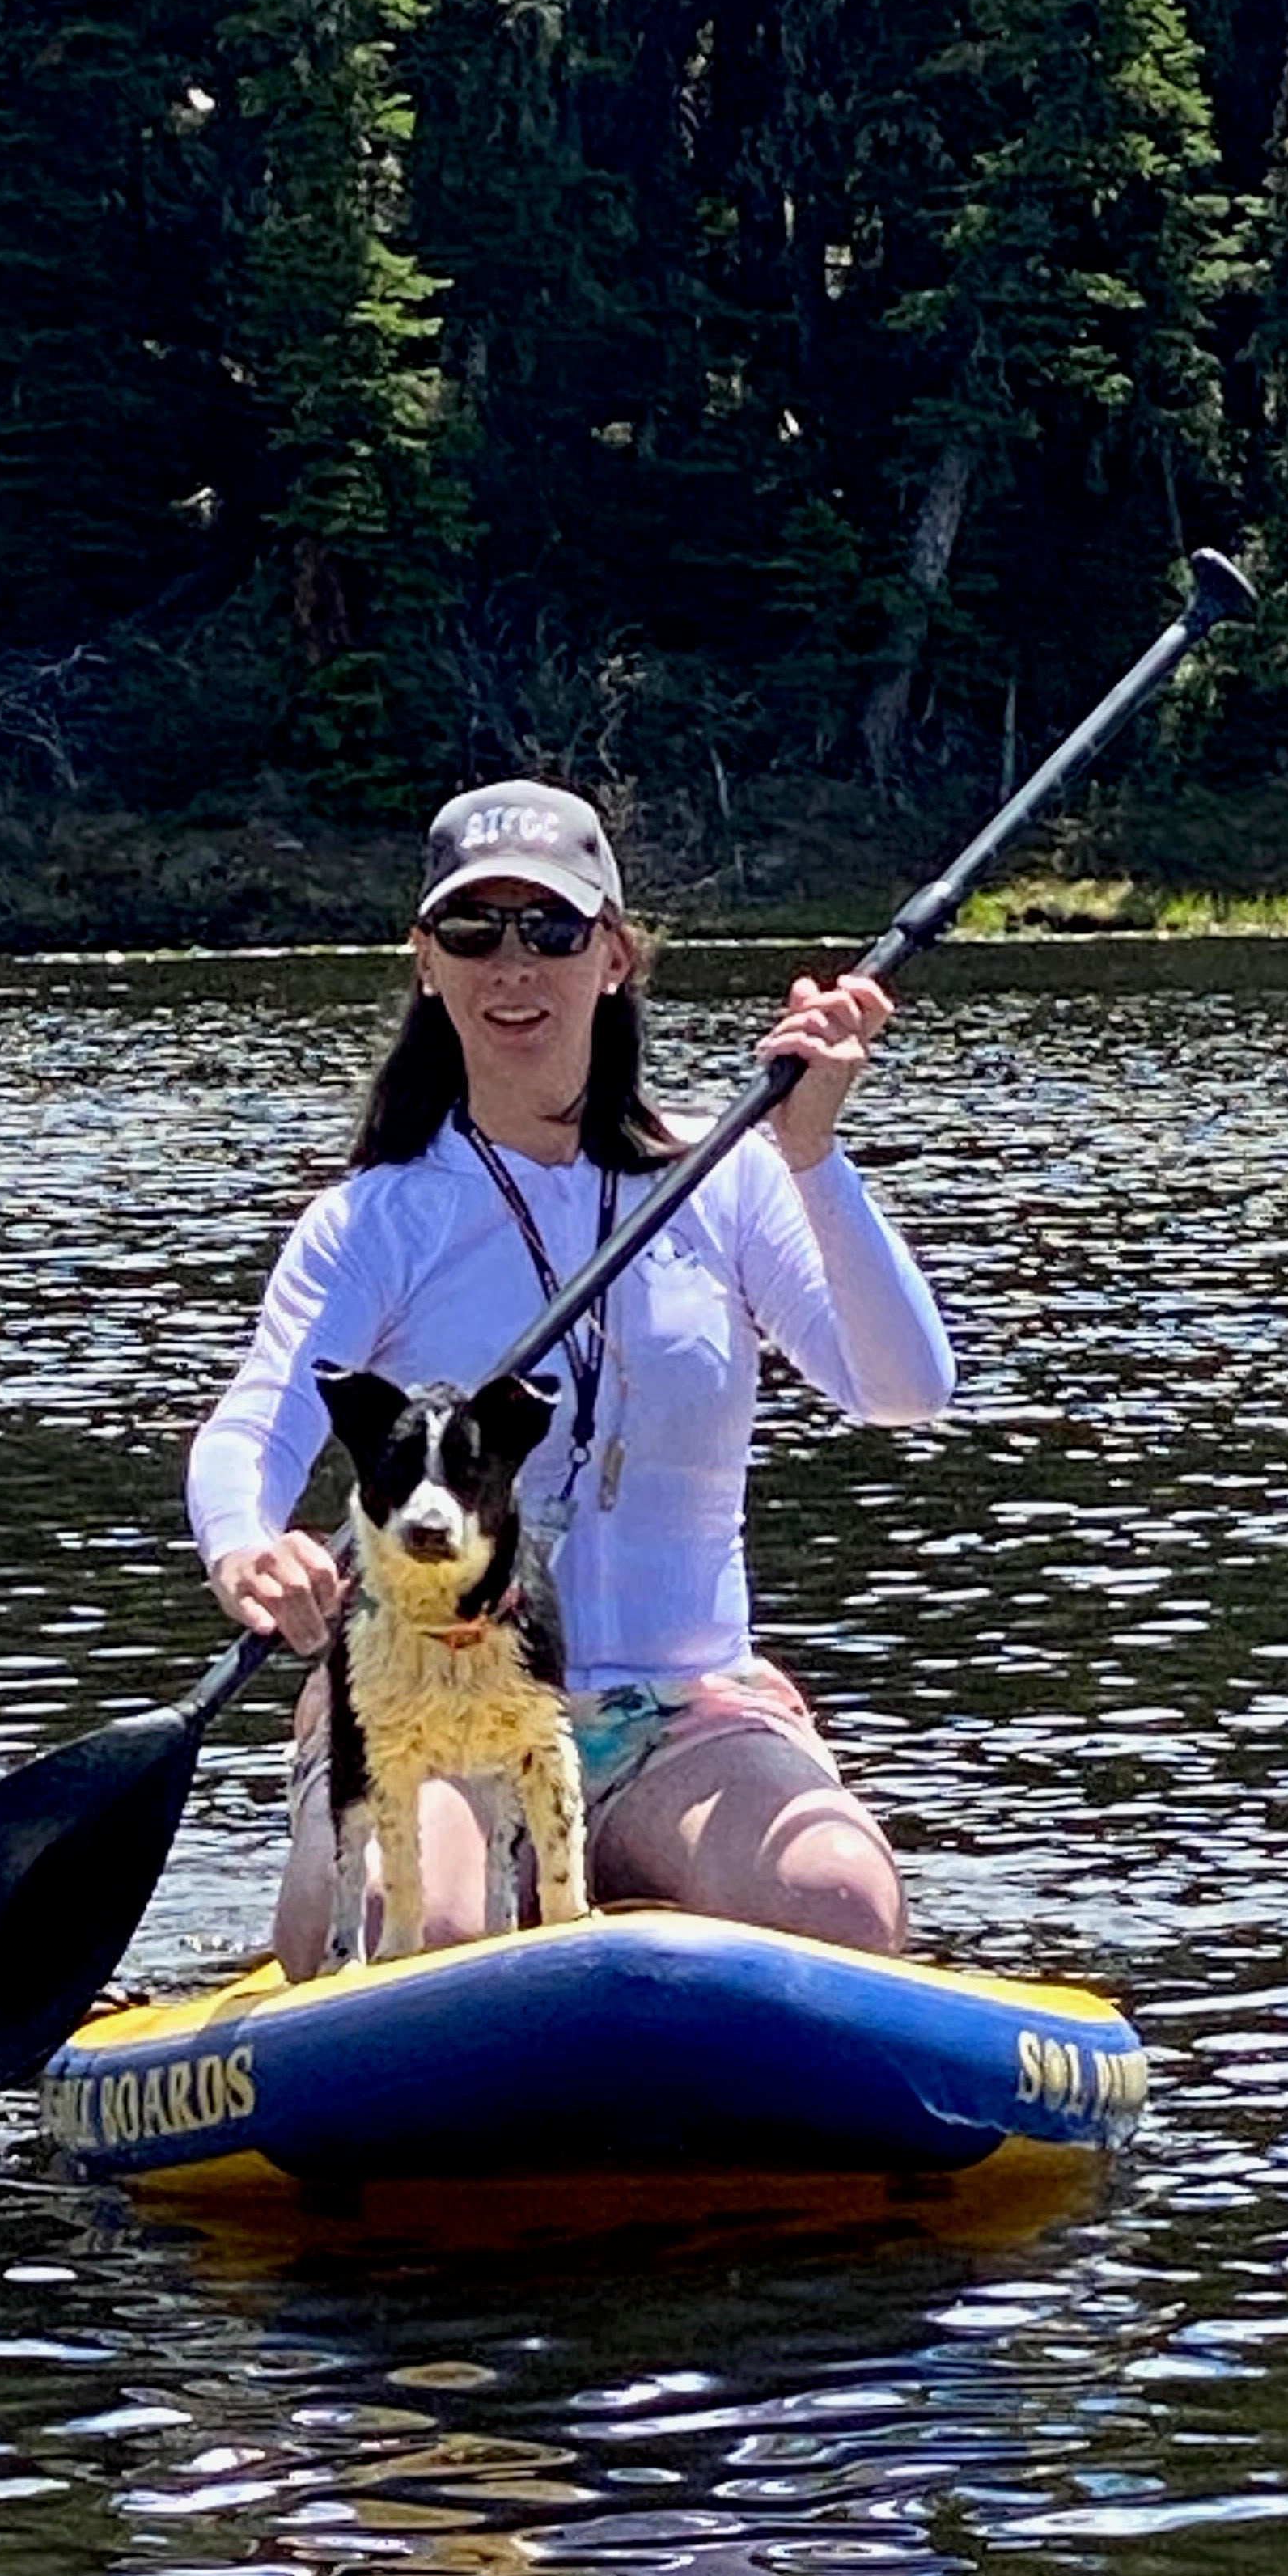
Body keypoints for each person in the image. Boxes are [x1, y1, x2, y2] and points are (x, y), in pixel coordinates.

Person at [187, 776, 956, 1978]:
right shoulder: (374, 1224)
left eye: (550, 930)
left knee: (844, 1903)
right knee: (429, 1935)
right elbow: (251, 1433)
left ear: (612, 958)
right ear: (426, 964)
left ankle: (630, 1912)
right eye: (473, 932)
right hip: (433, 1694)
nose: (514, 967)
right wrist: (248, 1546)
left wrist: (813, 1156)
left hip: (680, 1710)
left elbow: (905, 1387)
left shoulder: (732, 1180)